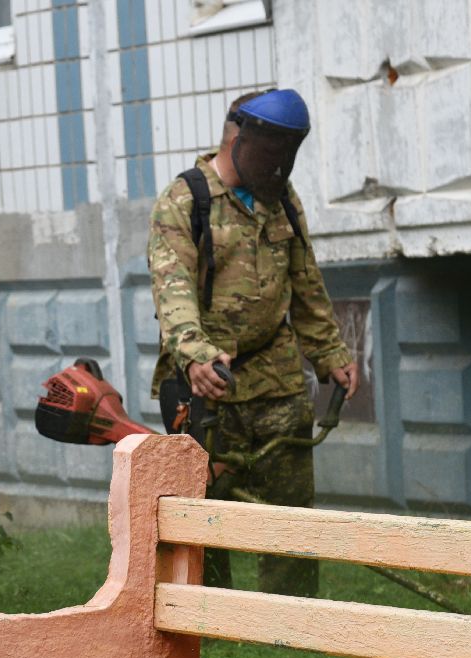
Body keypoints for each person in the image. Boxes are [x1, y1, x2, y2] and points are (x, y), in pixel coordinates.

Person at [147, 88, 359, 597]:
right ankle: (203, 609)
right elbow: (172, 290)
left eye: (288, 154)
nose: (279, 165)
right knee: (202, 510)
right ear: (237, 138)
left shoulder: (282, 198)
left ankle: (291, 613)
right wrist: (196, 356)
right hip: (207, 385)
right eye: (271, 153)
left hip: (276, 374)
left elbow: (306, 281)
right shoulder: (185, 201)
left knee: (289, 504)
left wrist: (329, 353)